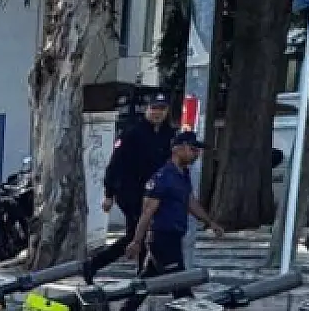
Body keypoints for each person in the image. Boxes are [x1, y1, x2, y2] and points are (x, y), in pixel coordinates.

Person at [88, 93, 175, 277]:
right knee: (138, 233)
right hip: (131, 193)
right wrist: (109, 194)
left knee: (143, 234)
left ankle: (143, 273)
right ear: (147, 109)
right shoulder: (133, 133)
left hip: (154, 194)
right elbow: (115, 164)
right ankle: (95, 265)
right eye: (154, 108)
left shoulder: (168, 134)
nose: (158, 113)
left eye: (162, 109)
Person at [126, 130, 225, 274]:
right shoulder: (163, 177)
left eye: (198, 151)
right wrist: (136, 241)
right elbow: (147, 212)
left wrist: (210, 222)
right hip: (162, 238)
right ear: (177, 149)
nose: (197, 154)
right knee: (178, 280)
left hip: (174, 237)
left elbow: (190, 202)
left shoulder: (183, 174)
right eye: (193, 149)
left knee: (150, 281)